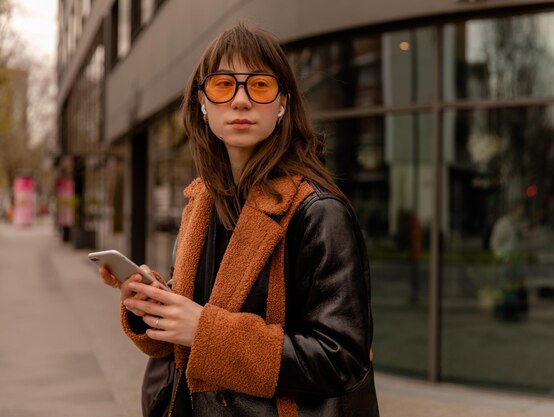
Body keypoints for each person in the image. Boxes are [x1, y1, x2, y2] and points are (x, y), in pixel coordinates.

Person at [99, 22, 379, 417]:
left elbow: (343, 358)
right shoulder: (203, 202)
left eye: (260, 86)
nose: (241, 100)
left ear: (283, 102)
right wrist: (154, 304)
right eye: (223, 85)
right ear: (202, 101)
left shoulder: (319, 212)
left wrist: (205, 332)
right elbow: (193, 320)